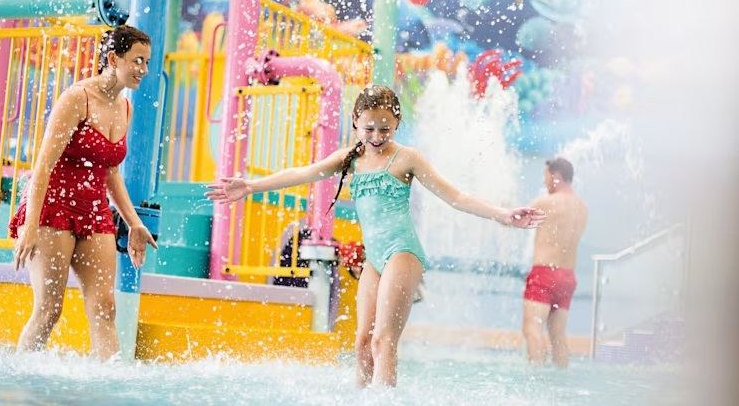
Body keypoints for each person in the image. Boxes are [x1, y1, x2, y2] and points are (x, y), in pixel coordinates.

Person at [206, 85, 545, 387]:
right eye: (369, 128)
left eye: (386, 128)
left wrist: (503, 215)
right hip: (375, 259)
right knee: (362, 344)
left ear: (397, 123)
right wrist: (250, 186)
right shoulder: (350, 159)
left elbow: (455, 197)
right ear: (355, 121)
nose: (377, 136)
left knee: (383, 340)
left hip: (403, 253)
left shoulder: (406, 158)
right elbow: (303, 173)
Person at [9, 25, 158, 360]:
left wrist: (133, 222)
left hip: (94, 211)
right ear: (113, 59)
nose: (144, 70)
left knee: (105, 306)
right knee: (49, 309)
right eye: (137, 60)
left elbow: (111, 172)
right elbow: (43, 166)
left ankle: (108, 383)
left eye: (147, 62)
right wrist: (30, 225)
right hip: (53, 207)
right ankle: (21, 376)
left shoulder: (126, 107)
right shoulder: (77, 98)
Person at [522, 157, 588, 368]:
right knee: (558, 335)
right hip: (567, 278)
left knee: (532, 330)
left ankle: (535, 378)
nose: (545, 183)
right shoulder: (582, 207)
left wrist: (500, 209)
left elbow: (515, 219)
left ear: (557, 177)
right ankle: (562, 376)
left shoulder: (546, 203)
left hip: (544, 274)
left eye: (547, 177)